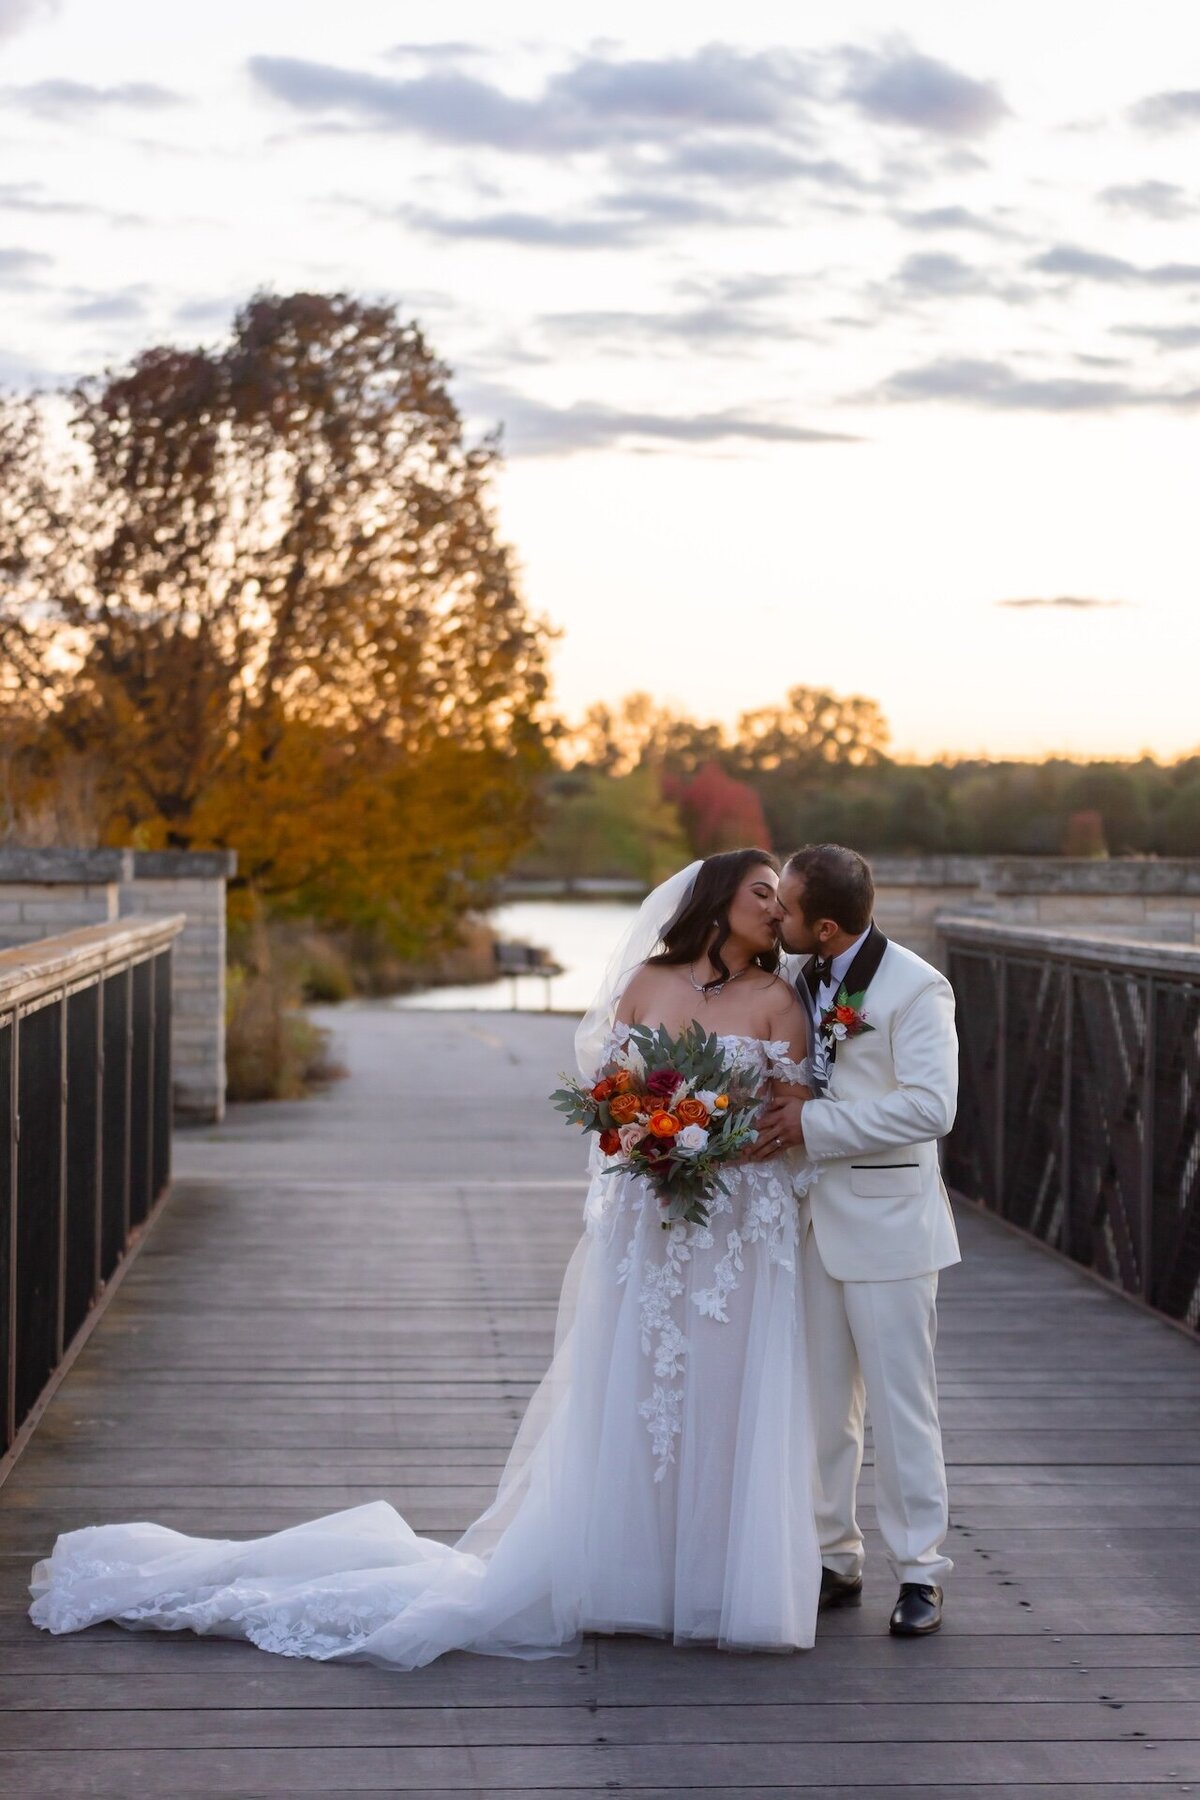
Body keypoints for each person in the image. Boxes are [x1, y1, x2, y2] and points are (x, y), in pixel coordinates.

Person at [29, 849, 823, 1666]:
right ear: (714, 899)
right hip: (651, 1218)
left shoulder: (778, 1000)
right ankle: (628, 1579)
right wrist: (653, 1138)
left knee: (728, 1390)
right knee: (640, 1389)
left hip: (737, 1231)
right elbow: (613, 1101)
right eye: (762, 891)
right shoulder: (647, 984)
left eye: (782, 898)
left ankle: (716, 1582)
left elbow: (787, 1125)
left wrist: (712, 1147)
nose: (776, 907)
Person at [755, 843, 960, 1637]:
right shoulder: (801, 977)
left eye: (789, 909)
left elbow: (930, 1108)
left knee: (904, 1407)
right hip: (809, 1222)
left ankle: (921, 1573)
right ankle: (833, 1556)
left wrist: (815, 1122)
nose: (777, 917)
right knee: (823, 1406)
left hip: (891, 1225)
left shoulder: (916, 988)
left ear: (828, 926)